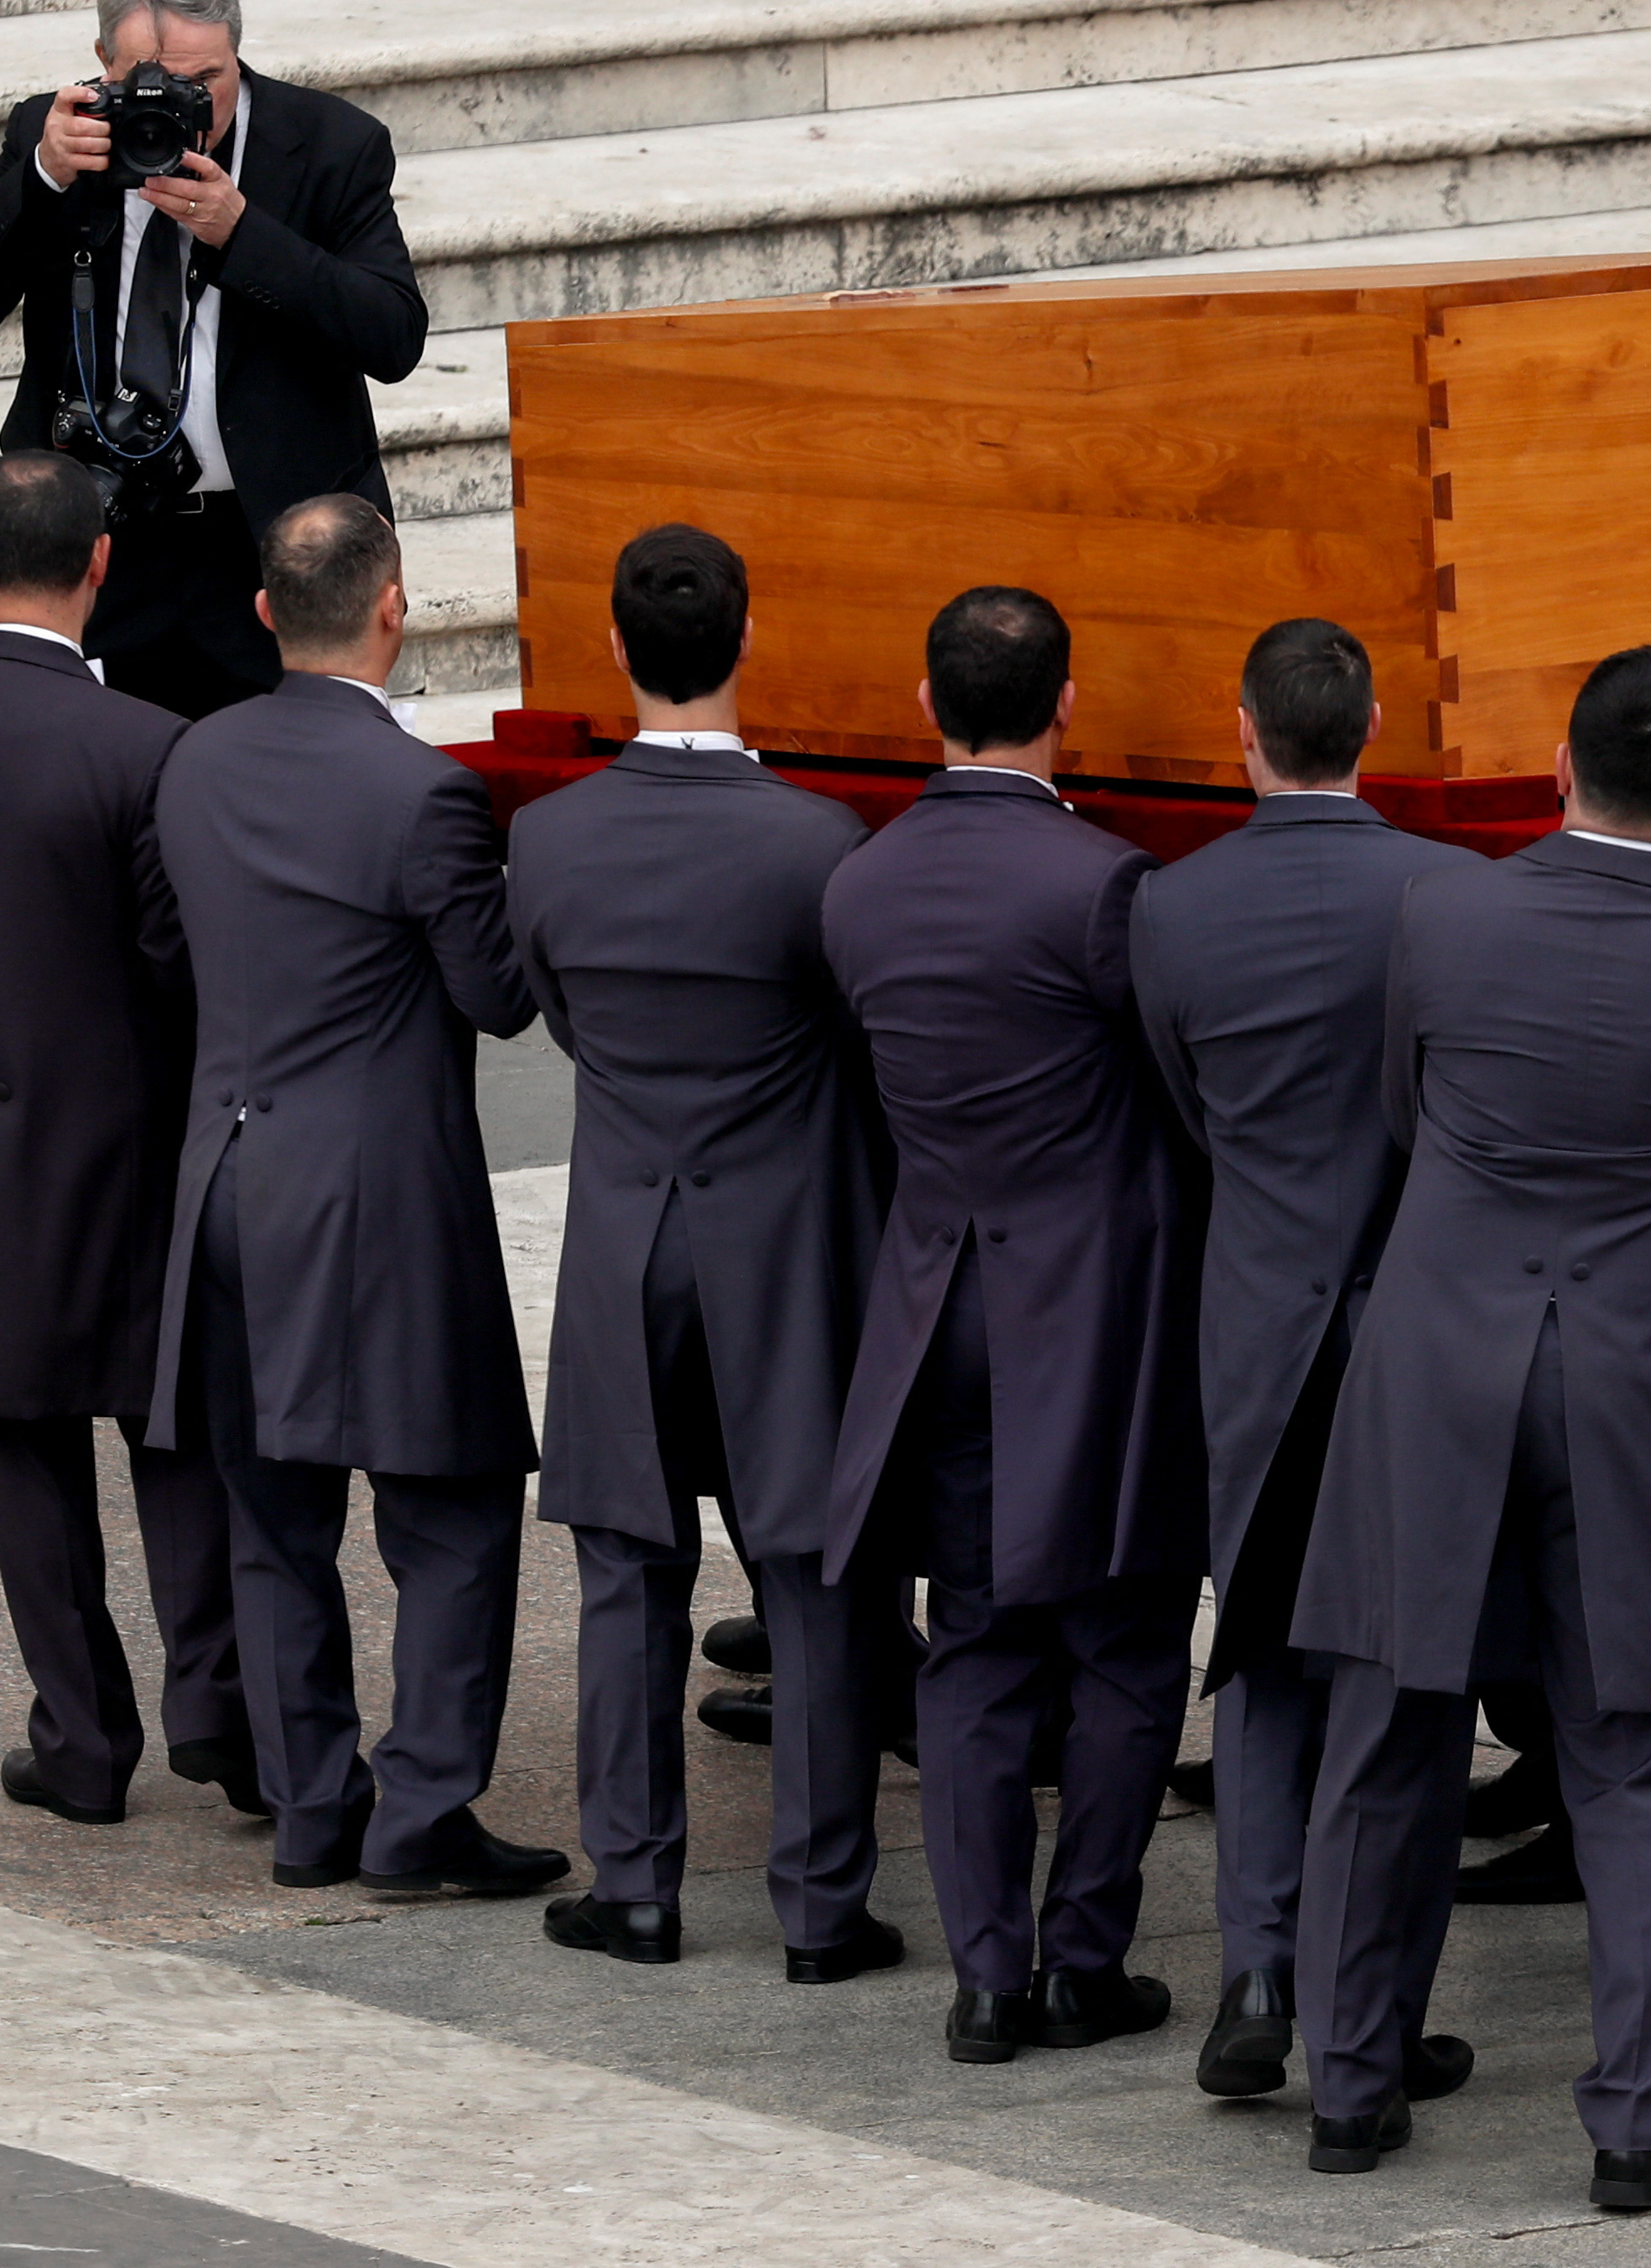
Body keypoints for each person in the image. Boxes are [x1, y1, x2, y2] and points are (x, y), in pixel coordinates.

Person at [1286, 646, 1651, 2208]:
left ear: (1554, 764)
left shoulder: (1440, 907)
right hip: (1625, 1372)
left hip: (1438, 1349)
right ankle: (1636, 2122)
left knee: (1386, 1721)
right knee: (1631, 1750)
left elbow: (1399, 1102)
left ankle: (1351, 2083)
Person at [147, 494, 568, 1897]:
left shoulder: (195, 761)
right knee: (447, 1505)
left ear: (266, 611)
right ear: (395, 607)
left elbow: (167, 940)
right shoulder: (422, 793)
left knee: (269, 1516)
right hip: (376, 1195)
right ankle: (424, 1805)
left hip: (223, 1176)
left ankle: (316, 1804)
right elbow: (495, 994)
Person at [506, 525, 904, 1980]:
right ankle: (818, 1905)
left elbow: (552, 1005)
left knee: (627, 1568)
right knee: (807, 1574)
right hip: (781, 1240)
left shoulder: (546, 836)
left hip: (625, 1235)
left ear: (615, 649)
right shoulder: (815, 844)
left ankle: (639, 1883)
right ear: (748, 640)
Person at [818, 586, 1207, 2065]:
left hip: (942, 1304)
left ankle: (985, 1972)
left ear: (926, 702)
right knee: (1120, 1639)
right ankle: (1082, 1955)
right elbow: (1175, 1093)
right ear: (1068, 702)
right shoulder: (1104, 885)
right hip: (1093, 1309)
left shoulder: (859, 884)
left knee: (971, 1642)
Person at [0, 452, 249, 1828]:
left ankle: (80, 1737)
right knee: (174, 1424)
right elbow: (168, 953)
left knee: (22, 1436)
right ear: (101, 565)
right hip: (132, 1123)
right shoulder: (148, 744)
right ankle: (218, 1705)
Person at [1128, 619, 1441, 2099]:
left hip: (1252, 1309)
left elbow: (1188, 1106)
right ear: (1372, 723)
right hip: (1401, 1315)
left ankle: (1253, 1959)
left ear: (1241, 727)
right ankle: (1359, 1998)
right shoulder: (1446, 892)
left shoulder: (1172, 910)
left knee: (1253, 1644)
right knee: (1383, 1661)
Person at [0, 0, 428, 721]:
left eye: (208, 79)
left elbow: (394, 336)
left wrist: (245, 234)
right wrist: (41, 178)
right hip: (104, 540)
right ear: (101, 65)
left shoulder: (330, 142)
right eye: (148, 82)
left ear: (238, 51)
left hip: (272, 547)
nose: (188, 104)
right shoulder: (58, 131)